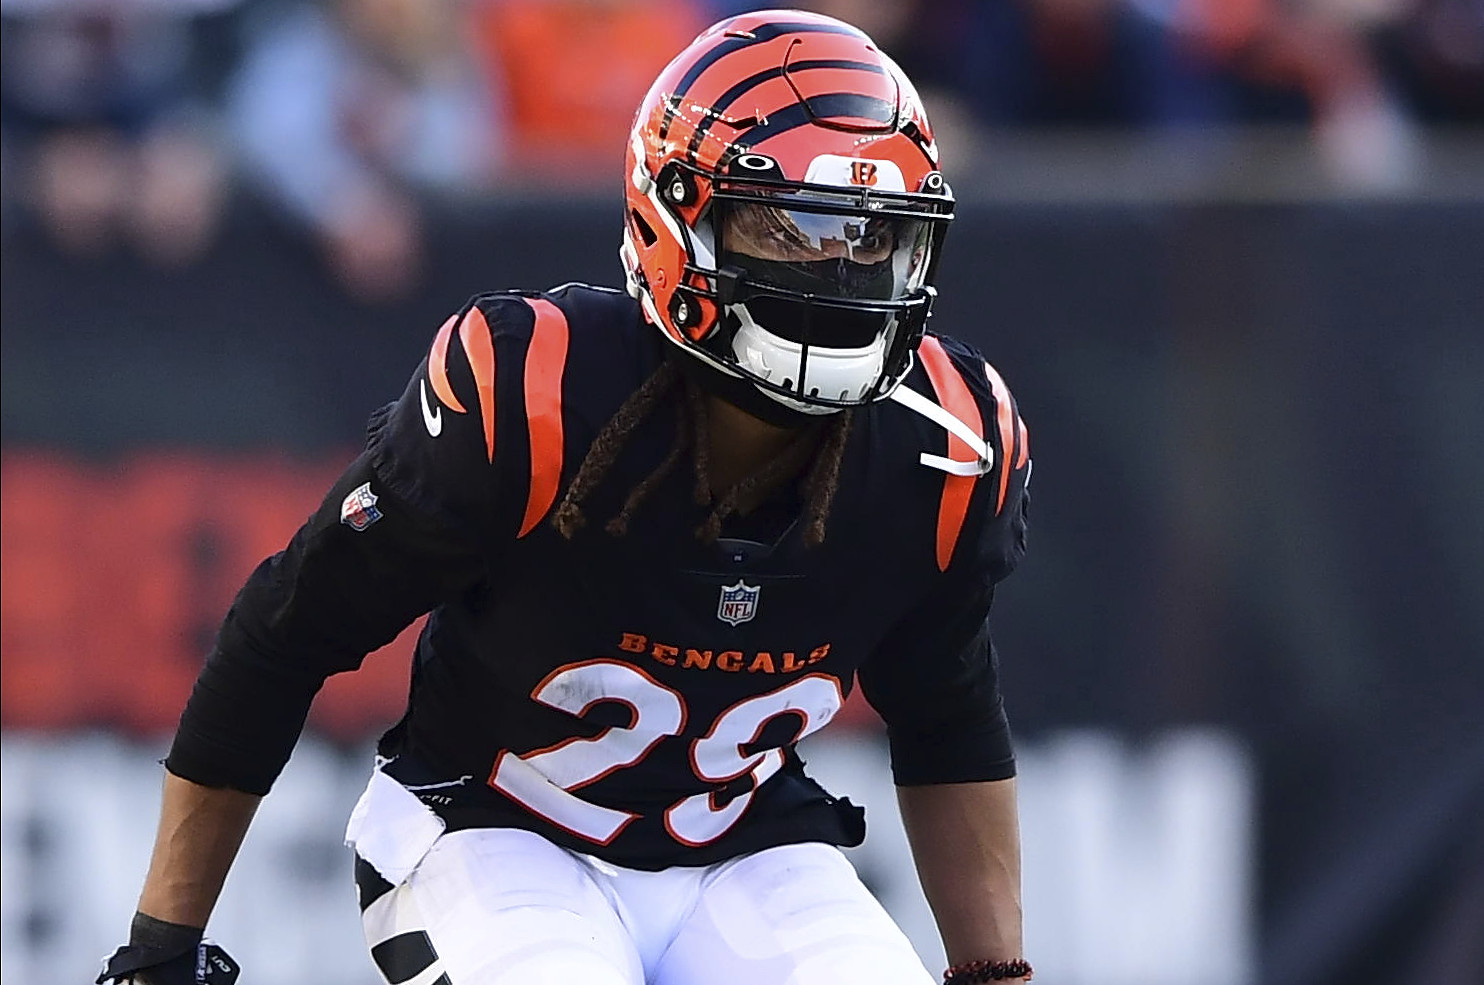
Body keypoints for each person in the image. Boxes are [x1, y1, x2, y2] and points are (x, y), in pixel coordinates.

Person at [99, 9, 1034, 985]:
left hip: (744, 844)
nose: (839, 269)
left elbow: (947, 710)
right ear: (677, 214)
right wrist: (162, 940)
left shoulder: (945, 440)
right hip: (491, 829)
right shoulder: (535, 390)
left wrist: (993, 971)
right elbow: (283, 630)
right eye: (792, 225)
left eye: (872, 233)